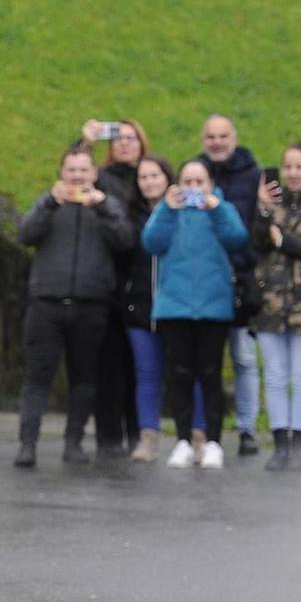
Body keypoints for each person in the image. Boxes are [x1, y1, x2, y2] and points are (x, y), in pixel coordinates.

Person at [13, 145, 134, 467]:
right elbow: (25, 234)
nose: (77, 176)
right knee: (38, 376)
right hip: (46, 302)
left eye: (83, 170)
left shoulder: (108, 205)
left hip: (91, 303)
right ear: (61, 173)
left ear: (94, 174)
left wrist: (104, 207)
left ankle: (74, 443)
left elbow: (125, 240)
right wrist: (50, 203)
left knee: (83, 378)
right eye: (71, 170)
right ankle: (27, 444)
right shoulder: (48, 203)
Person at [142, 159, 250, 469]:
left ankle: (213, 441)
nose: (193, 189)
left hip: (213, 307)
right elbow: (151, 242)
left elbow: (237, 240)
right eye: (187, 182)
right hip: (174, 306)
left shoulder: (222, 209)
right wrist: (166, 208)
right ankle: (183, 440)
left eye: (199, 182)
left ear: (210, 183)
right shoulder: (168, 210)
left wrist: (215, 208)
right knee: (179, 376)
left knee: (210, 374)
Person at [249, 143, 301, 472]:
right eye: (288, 167)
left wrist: (283, 239)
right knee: (273, 375)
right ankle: (279, 441)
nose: (293, 173)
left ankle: (298, 442)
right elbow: (256, 239)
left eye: (300, 167)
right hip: (270, 301)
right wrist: (263, 209)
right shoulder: (270, 204)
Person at [197, 116, 264, 454]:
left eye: (223, 136)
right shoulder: (195, 175)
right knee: (203, 359)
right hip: (204, 279)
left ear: (234, 137)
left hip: (241, 277)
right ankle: (201, 428)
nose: (217, 142)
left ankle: (247, 428)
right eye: (210, 137)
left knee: (243, 358)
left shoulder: (253, 176)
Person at [84, 119, 150, 455]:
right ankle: (109, 437)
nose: (125, 144)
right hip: (108, 281)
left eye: (132, 138)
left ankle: (139, 433)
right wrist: (85, 143)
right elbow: (74, 175)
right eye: (119, 139)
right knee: (107, 365)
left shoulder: (148, 178)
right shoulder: (102, 177)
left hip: (140, 281)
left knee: (138, 364)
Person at [112, 155, 176, 462]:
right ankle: (147, 437)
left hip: (175, 307)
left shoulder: (179, 211)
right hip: (139, 305)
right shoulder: (129, 215)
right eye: (144, 177)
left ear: (167, 178)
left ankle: (193, 435)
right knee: (146, 374)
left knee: (182, 374)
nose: (150, 182)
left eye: (155, 176)